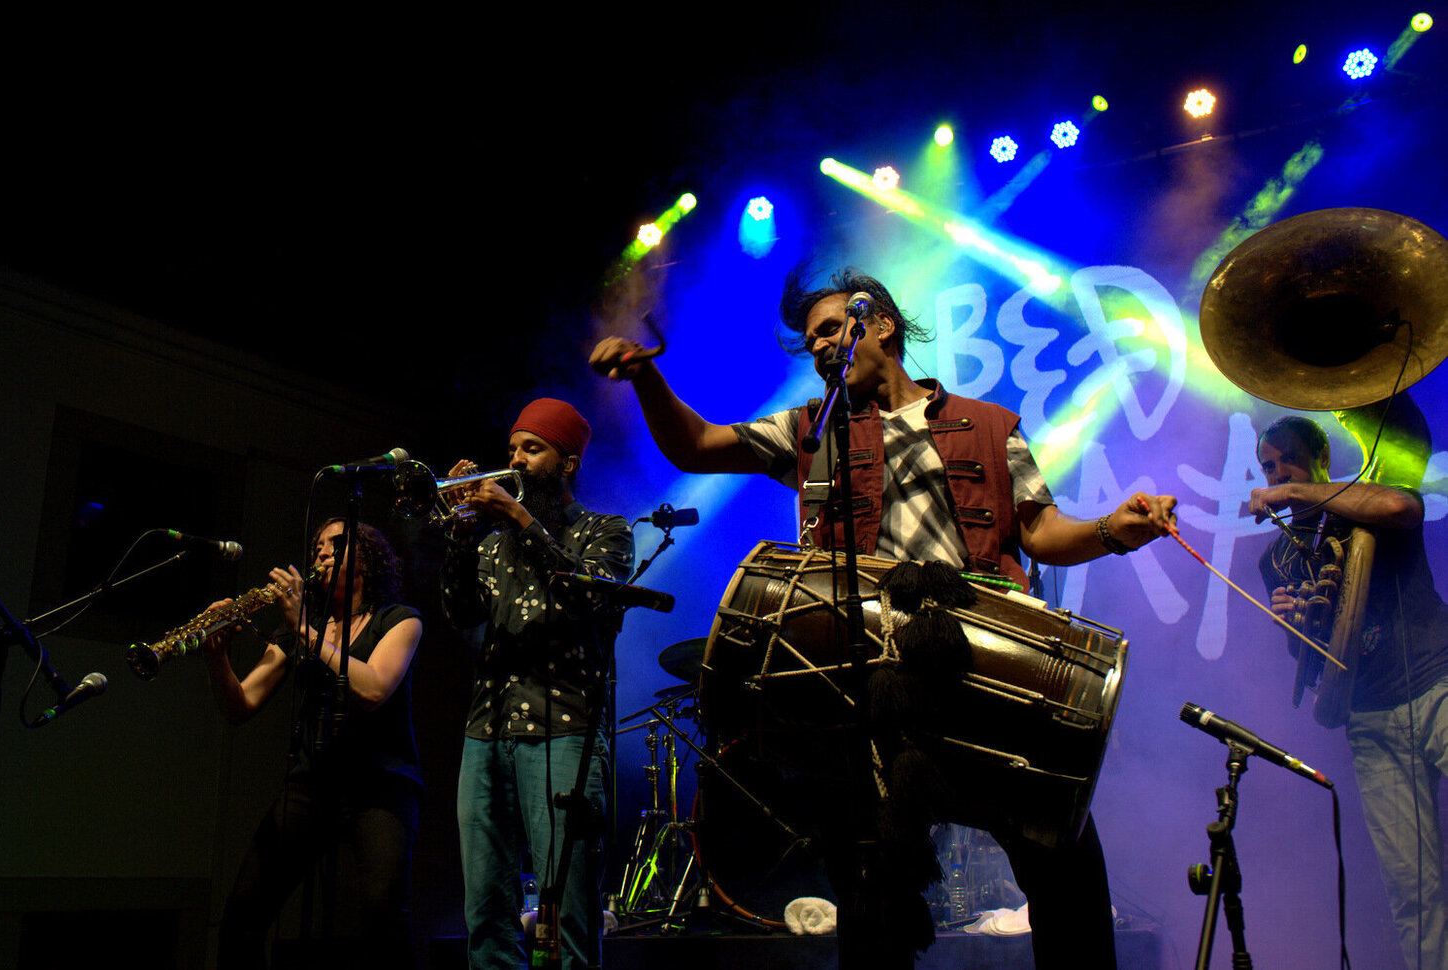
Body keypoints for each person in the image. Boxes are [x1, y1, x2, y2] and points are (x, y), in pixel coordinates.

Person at [590, 266, 1177, 970]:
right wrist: (647, 379)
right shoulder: (813, 429)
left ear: (884, 325)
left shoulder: (988, 426)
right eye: (811, 341)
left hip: (979, 654)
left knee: (1063, 867)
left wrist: (1113, 528)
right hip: (872, 677)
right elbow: (697, 447)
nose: (820, 348)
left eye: (833, 328)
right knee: (868, 888)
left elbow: (1042, 531)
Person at [1252, 413, 1448, 970]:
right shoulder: (1277, 558)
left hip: (1438, 683)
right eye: (1268, 467)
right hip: (1370, 720)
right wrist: (1293, 628)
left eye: (1288, 460)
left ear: (1321, 459)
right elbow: (1308, 663)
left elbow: (1402, 510)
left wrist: (1291, 490)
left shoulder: (1361, 498)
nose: (1277, 474)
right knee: (1412, 890)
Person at [443, 398, 634, 970]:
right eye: (511, 450)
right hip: (486, 728)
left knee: (569, 913)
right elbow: (460, 613)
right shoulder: (492, 542)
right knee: (486, 914)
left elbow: (586, 597)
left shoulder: (606, 531)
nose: (515, 461)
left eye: (532, 449)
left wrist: (520, 519)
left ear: (568, 462)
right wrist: (460, 531)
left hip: (564, 729)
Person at [202, 518, 424, 969]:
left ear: (368, 558)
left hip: (380, 785)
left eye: (335, 545)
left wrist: (305, 630)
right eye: (317, 547)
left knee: (384, 916)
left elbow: (374, 688)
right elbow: (241, 704)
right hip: (312, 781)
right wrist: (217, 657)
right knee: (243, 914)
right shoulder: (302, 628)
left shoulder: (399, 621)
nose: (321, 554)